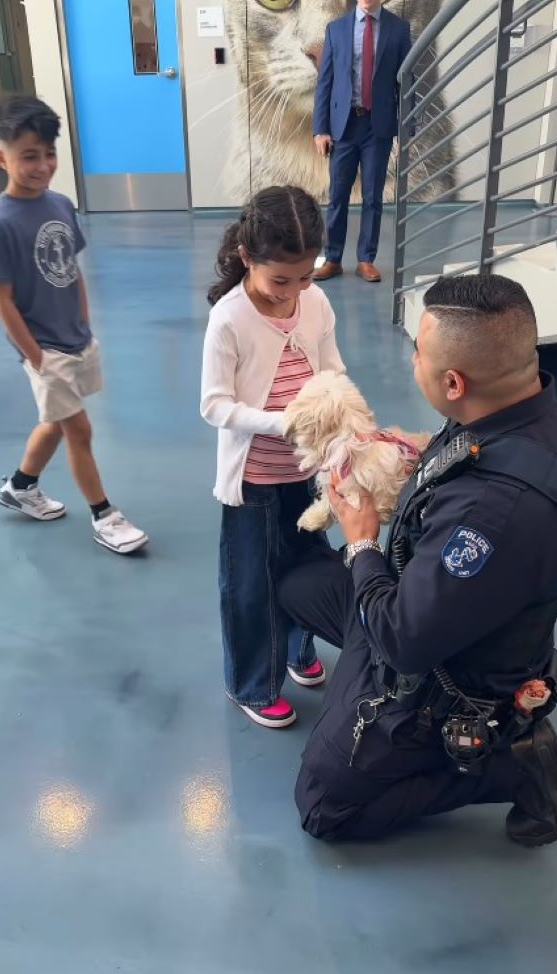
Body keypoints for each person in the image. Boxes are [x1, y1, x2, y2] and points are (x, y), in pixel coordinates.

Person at [278, 273, 557, 846]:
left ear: (454, 381)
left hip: (442, 672)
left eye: (418, 354)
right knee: (298, 585)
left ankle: (511, 764)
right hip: (423, 602)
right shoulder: (509, 413)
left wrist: (361, 540)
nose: (412, 362)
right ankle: (353, 693)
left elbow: (406, 640)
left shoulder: (494, 510)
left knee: (322, 808)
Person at [200, 186, 345, 729]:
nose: (294, 291)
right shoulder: (230, 319)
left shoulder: (316, 301)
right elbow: (214, 406)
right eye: (280, 279)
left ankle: (298, 648)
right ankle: (252, 684)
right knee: (251, 584)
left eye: (305, 276)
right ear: (246, 257)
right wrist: (283, 423)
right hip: (255, 478)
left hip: (306, 471)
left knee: (307, 566)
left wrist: (343, 417)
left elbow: (331, 368)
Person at [0, 96, 147, 555]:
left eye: (48, 154)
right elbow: (2, 300)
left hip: (76, 337)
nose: (42, 166)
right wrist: (36, 357)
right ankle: (105, 515)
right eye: (28, 156)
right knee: (80, 430)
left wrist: (85, 322)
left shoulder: (59, 204)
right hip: (43, 348)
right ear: (2, 158)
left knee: (55, 421)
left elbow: (70, 270)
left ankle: (20, 485)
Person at [312, 0, 411, 284]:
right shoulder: (336, 30)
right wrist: (320, 129)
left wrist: (406, 130)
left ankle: (366, 259)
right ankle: (332, 258)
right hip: (343, 126)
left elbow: (406, 83)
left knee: (373, 196)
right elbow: (325, 83)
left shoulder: (399, 29)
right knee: (338, 195)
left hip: (377, 126)